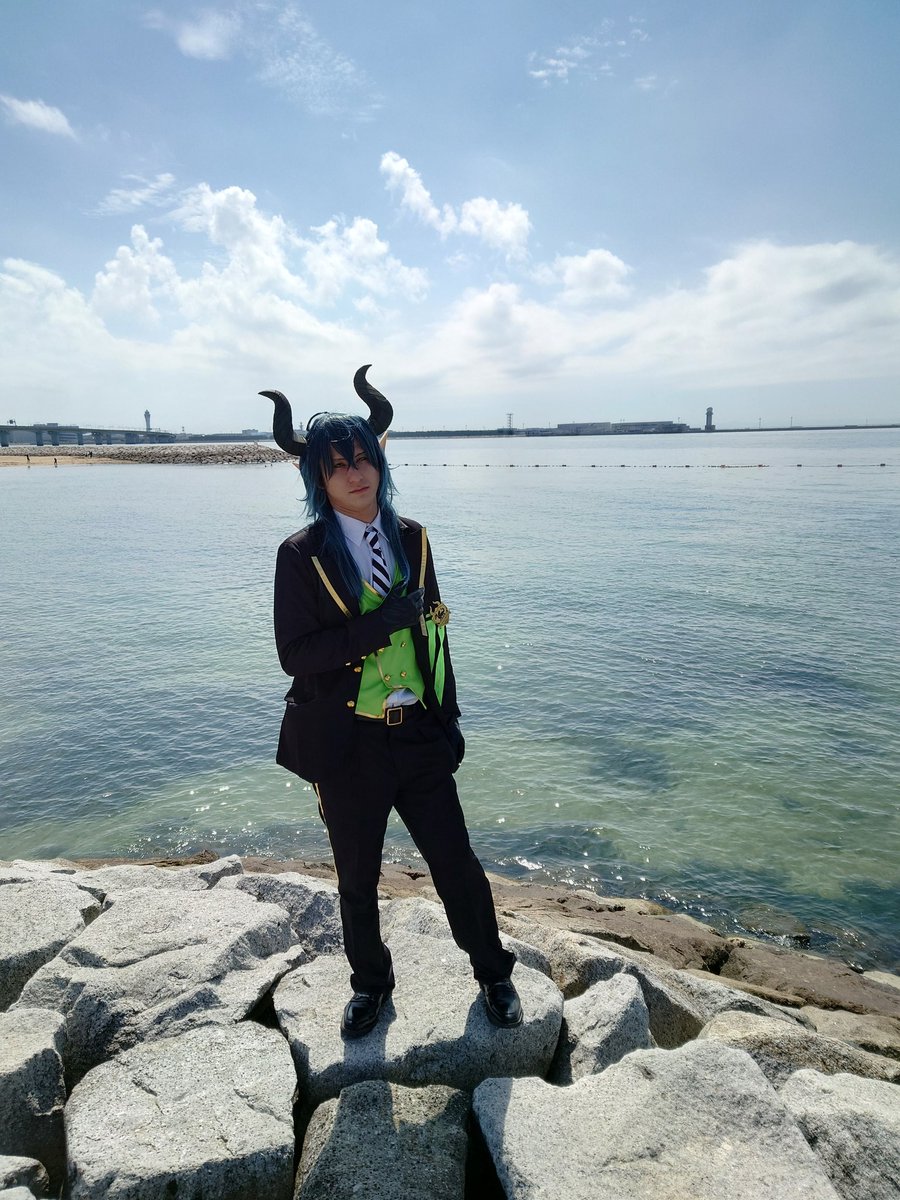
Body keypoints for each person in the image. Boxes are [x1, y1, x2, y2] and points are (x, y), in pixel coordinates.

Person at [263, 366, 521, 1038]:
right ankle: (370, 985)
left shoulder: (413, 537)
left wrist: (449, 717)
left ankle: (493, 972)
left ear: (379, 462)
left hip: (418, 734)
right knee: (357, 878)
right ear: (317, 478)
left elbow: (435, 630)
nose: (356, 473)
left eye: (364, 459)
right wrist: (378, 625)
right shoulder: (300, 555)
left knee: (457, 864)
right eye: (338, 465)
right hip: (348, 744)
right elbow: (296, 655)